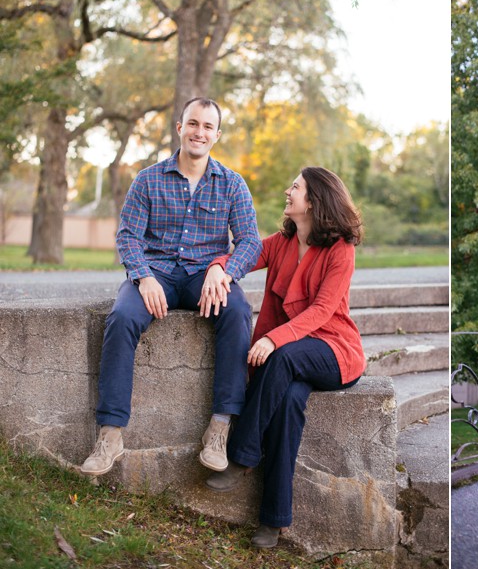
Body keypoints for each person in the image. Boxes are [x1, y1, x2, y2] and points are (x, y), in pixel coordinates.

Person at [80, 97, 262, 477]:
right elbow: (128, 236)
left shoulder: (232, 184)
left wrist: (224, 270)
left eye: (208, 127)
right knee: (122, 317)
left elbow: (249, 241)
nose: (199, 132)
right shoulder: (148, 179)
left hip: (204, 276)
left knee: (239, 312)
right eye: (193, 123)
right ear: (179, 127)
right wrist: (144, 276)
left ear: (217, 135)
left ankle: (220, 427)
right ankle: (110, 434)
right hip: (156, 272)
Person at [202, 166, 365, 549]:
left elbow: (324, 310)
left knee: (285, 358)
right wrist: (216, 269)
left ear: (315, 200)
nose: (288, 191)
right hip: (291, 351)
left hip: (334, 350)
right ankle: (273, 522)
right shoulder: (281, 243)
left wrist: (274, 340)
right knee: (289, 402)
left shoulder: (340, 248)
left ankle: (241, 455)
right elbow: (241, 257)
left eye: (296, 187)